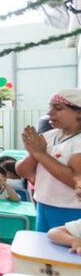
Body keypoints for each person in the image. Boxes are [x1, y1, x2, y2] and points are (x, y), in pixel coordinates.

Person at [16, 89, 81, 231]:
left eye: (58, 108)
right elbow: (23, 171)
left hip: (72, 210)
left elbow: (75, 181)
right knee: (44, 250)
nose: (50, 112)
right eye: (50, 107)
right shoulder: (49, 136)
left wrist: (41, 154)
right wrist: (33, 153)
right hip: (43, 204)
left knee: (67, 251)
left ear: (79, 112)